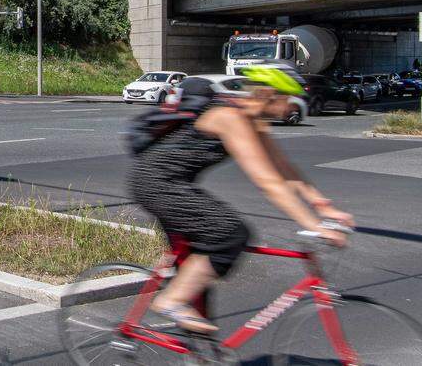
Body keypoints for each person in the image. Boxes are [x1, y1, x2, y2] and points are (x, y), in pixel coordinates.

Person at [127, 66, 354, 334]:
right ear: (271, 95)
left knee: (197, 275)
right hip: (156, 183)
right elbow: (269, 183)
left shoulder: (253, 122)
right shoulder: (230, 118)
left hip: (172, 184)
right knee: (230, 234)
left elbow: (284, 168)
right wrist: (315, 226)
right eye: (291, 100)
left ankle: (201, 352)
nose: (294, 108)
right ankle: (170, 301)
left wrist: (323, 206)